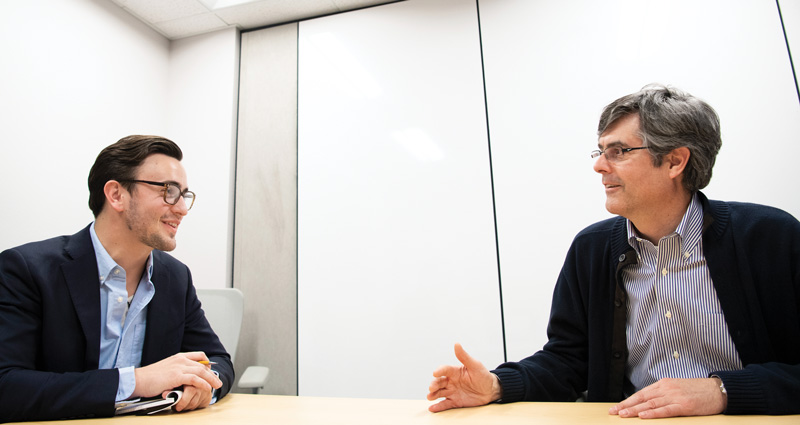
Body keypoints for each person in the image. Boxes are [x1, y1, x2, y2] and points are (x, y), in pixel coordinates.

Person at [427, 85, 800, 418]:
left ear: (675, 161)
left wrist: (722, 391)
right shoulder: (591, 249)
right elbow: (568, 361)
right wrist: (496, 385)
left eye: (619, 151)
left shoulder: (771, 238)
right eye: (600, 150)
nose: (599, 166)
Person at [0, 135, 234, 422]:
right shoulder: (26, 269)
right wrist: (137, 381)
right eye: (169, 191)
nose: (182, 209)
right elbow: (7, 386)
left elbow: (218, 361)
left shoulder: (175, 277)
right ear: (116, 195)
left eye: (184, 195)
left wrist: (201, 386)